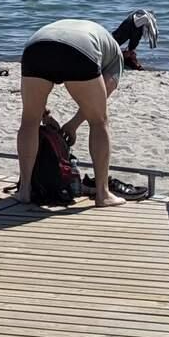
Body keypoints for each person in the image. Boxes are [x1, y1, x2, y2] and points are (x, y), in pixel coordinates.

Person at [17, 18, 124, 206]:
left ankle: (24, 190)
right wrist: (74, 124)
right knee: (99, 122)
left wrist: (45, 116)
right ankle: (103, 194)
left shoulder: (93, 32)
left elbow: (32, 96)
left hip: (36, 46)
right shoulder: (116, 58)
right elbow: (101, 100)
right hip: (81, 50)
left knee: (29, 121)